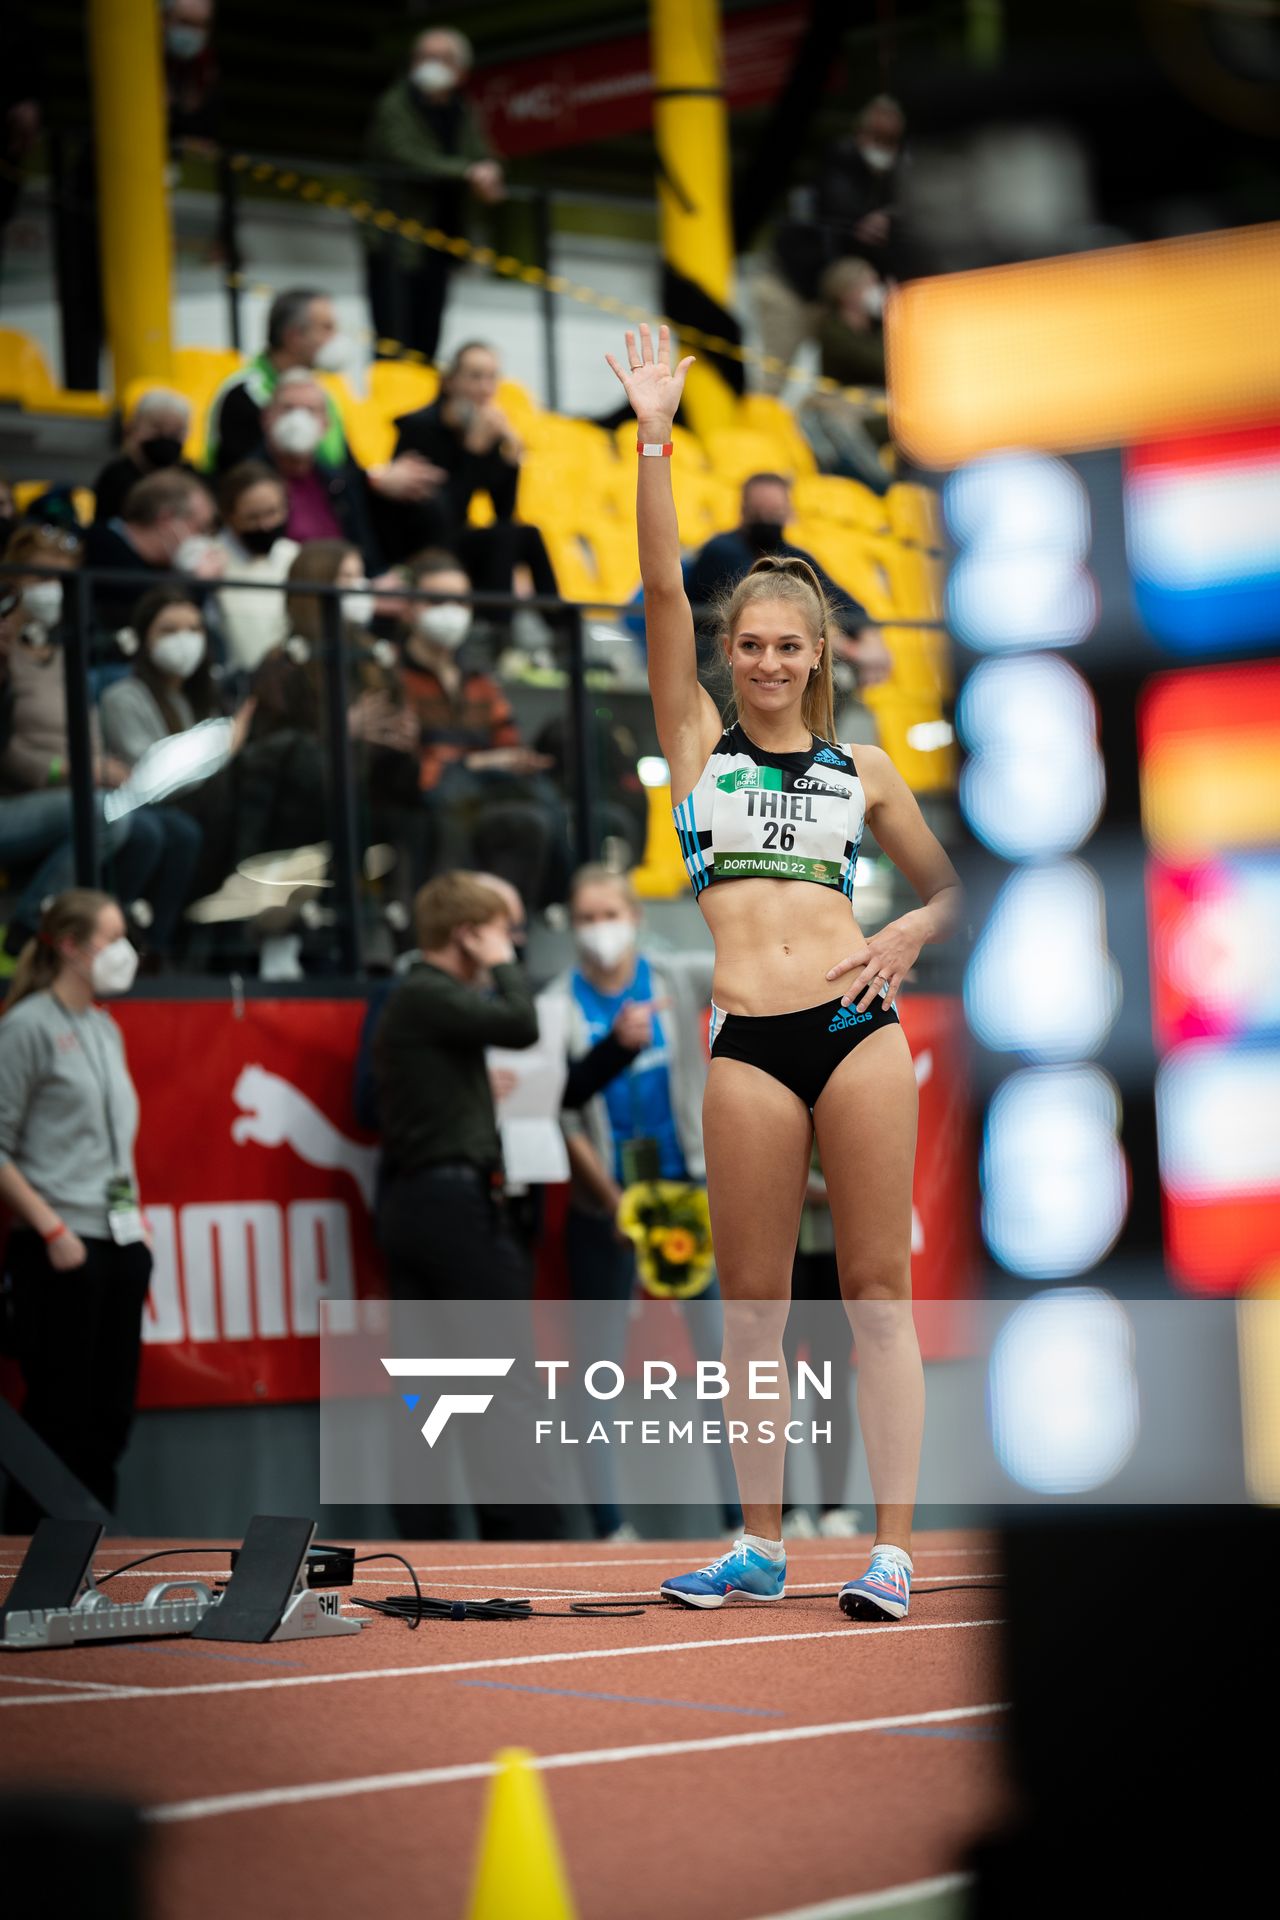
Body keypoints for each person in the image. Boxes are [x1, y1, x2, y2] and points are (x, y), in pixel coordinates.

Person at [606, 323, 962, 1618]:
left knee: (876, 1297)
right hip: (749, 1043)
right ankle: (758, 1544)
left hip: (859, 1032)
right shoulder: (697, 747)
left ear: (816, 657)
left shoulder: (862, 772)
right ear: (729, 651)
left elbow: (951, 886)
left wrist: (910, 933)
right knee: (750, 1314)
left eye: (786, 646)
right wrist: (653, 432)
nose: (765, 662)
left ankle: (892, 1550)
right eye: (747, 644)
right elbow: (654, 591)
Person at [552, 863, 742, 1542]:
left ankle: (742, 1519)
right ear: (572, 926)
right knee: (596, 1367)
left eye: (612, 913)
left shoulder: (673, 978)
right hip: (605, 1206)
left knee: (722, 1357)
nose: (601, 928)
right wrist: (613, 1203)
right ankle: (610, 1526)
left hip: (687, 1192)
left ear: (636, 917)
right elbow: (560, 1116)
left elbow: (744, 965)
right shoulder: (556, 1007)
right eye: (588, 916)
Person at [372, 872, 561, 1542]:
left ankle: (432, 1540)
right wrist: (505, 967)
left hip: (417, 1204)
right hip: (452, 1207)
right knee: (504, 1378)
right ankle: (531, 1543)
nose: (511, 942)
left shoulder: (419, 998)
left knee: (430, 1386)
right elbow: (519, 1022)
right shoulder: (428, 992)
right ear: (467, 935)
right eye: (499, 931)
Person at [0, 889, 151, 1531]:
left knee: (109, 1416)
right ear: (69, 945)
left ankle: (90, 1553)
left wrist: (135, 1233)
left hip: (119, 1241)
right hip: (61, 1247)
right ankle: (30, 1562)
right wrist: (51, 1226)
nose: (123, 953)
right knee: (58, 1415)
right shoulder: (27, 1026)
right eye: (111, 938)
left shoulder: (103, 1024)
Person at [0, 530, 202, 958]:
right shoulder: (6, 656)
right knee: (108, 815)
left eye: (64, 579)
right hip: (20, 797)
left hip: (75, 793)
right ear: (13, 581)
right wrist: (75, 771)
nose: (52, 590)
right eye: (40, 577)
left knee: (156, 829)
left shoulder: (64, 654)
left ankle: (120, 938)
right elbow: (8, 750)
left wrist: (105, 767)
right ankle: (29, 928)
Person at [398, 547, 570, 913]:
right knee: (456, 799)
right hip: (427, 799)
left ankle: (547, 907)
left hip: (488, 791)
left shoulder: (478, 677)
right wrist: (476, 762)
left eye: (461, 601)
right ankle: (446, 917)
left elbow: (506, 738)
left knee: (542, 805)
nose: (451, 612)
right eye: (437, 600)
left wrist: (512, 759)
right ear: (410, 606)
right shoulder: (393, 675)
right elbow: (408, 764)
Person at [203, 288, 439, 535]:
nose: (337, 338)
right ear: (294, 336)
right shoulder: (245, 393)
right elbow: (246, 481)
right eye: (327, 328)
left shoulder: (323, 392)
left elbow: (344, 468)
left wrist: (378, 478)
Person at [362, 28, 504, 362]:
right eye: (423, 56)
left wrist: (490, 171)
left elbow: (483, 152)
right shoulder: (394, 105)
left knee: (428, 341)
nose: (429, 65)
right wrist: (467, 172)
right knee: (393, 339)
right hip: (395, 241)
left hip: (439, 240)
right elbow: (406, 156)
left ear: (461, 70)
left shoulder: (461, 110)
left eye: (441, 58)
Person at [684, 472, 890, 689]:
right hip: (715, 664)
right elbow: (765, 611)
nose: (767, 519)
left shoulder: (792, 554)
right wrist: (851, 650)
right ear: (744, 510)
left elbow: (841, 601)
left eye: (774, 512)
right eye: (760, 512)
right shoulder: (721, 550)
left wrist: (871, 638)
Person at [754, 97, 905, 391]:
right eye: (877, 137)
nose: (884, 148)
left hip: (836, 300)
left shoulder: (898, 180)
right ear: (860, 133)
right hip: (794, 290)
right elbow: (836, 210)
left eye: (891, 140)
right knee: (773, 376)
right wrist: (863, 223)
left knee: (840, 381)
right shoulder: (837, 162)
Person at [83, 469, 223, 635]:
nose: (203, 540)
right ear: (166, 520)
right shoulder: (100, 545)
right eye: (200, 528)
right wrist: (196, 583)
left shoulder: (165, 569)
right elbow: (153, 608)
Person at [213, 462, 299, 673]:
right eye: (253, 517)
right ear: (229, 515)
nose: (265, 526)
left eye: (272, 513)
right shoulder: (211, 561)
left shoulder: (294, 556)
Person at [92, 388, 198, 526]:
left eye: (175, 432)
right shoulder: (115, 478)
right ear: (133, 428)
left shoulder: (193, 480)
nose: (165, 436)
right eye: (157, 428)